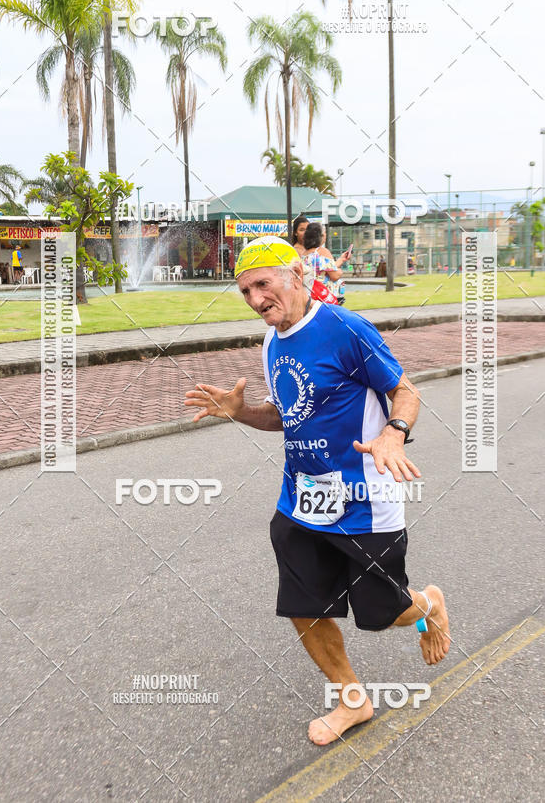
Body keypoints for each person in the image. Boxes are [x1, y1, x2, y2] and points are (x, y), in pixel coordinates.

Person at [185, 236, 450, 747]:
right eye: (245, 291)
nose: (255, 299)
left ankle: (428, 605)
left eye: (263, 284)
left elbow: (405, 389)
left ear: (297, 275)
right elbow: (287, 415)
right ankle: (353, 699)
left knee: (385, 613)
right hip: (301, 499)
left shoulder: (346, 329)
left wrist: (393, 434)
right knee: (303, 605)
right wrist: (242, 413)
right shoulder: (272, 343)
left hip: (365, 500)